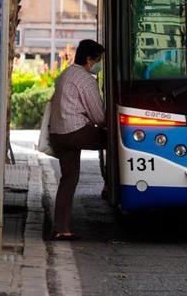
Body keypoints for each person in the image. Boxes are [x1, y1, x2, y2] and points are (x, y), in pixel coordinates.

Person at [49, 39, 106, 241]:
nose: (100, 64)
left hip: (58, 134)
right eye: (98, 60)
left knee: (69, 179)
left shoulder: (66, 74)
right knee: (115, 140)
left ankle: (61, 228)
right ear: (89, 59)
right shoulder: (86, 79)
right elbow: (99, 117)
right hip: (75, 132)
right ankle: (111, 185)